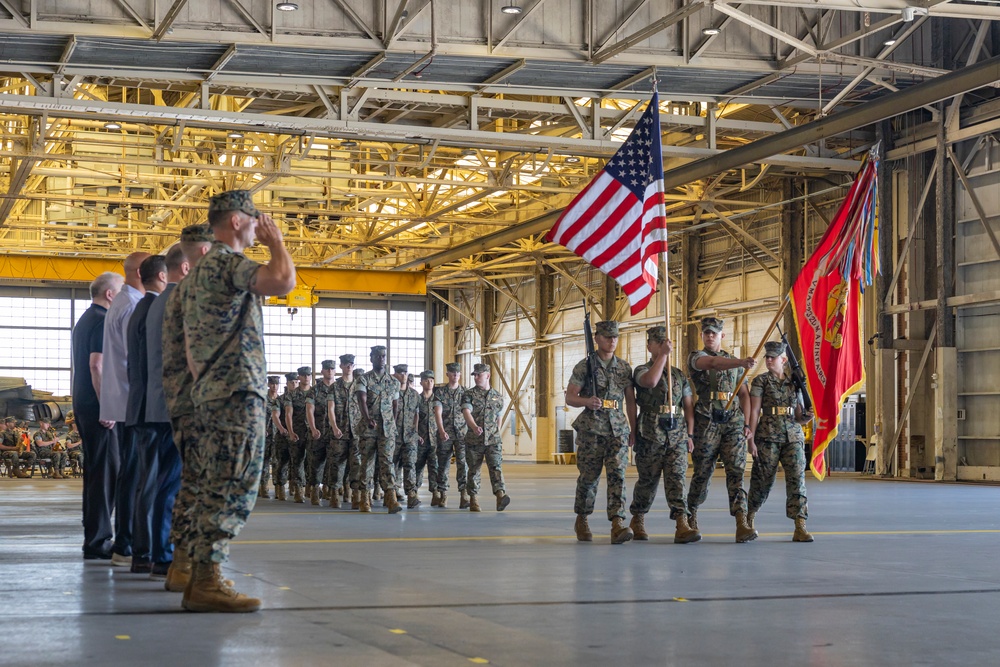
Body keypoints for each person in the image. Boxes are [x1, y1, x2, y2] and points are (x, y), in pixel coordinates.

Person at [180, 189, 295, 613]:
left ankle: (200, 576)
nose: (258, 225)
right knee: (235, 485)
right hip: (236, 393)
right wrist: (277, 243)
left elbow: (189, 348)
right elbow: (283, 281)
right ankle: (207, 579)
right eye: (254, 219)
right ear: (236, 221)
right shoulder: (228, 263)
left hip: (213, 391)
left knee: (213, 483)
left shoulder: (197, 276)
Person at [161, 225, 214, 593]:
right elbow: (199, 357)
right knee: (204, 486)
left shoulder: (174, 296)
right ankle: (199, 573)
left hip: (182, 403)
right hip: (199, 406)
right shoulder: (195, 295)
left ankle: (183, 567)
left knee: (191, 485)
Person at [686, 316, 758, 543]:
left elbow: (744, 394)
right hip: (706, 422)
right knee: (702, 473)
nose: (709, 336)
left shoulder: (735, 362)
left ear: (722, 336)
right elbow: (713, 364)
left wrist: (747, 424)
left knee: (736, 472)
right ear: (702, 336)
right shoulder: (696, 357)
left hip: (733, 422)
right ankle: (691, 515)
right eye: (706, 333)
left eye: (714, 333)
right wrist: (741, 363)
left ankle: (741, 522)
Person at [565, 320, 637, 544]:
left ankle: (617, 522)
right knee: (589, 477)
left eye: (614, 336)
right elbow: (570, 397)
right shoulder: (584, 366)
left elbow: (630, 401)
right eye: (607, 337)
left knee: (618, 475)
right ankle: (582, 518)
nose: (612, 340)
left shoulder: (624, 367)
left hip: (617, 429)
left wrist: (633, 429)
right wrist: (587, 401)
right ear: (596, 338)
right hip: (592, 429)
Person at [628, 326, 699, 544]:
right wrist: (664, 355)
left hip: (676, 433)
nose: (661, 345)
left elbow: (688, 406)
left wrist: (690, 434)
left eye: (664, 342)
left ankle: (681, 523)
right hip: (650, 432)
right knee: (648, 481)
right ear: (649, 346)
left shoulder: (678, 375)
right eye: (656, 342)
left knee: (677, 479)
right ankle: (637, 518)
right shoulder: (641, 370)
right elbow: (649, 382)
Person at [102, 250, 150, 567]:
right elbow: (137, 360)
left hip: (124, 401)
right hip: (134, 402)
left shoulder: (121, 302)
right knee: (134, 475)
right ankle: (125, 543)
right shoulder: (132, 305)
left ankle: (125, 542)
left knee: (130, 475)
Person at [73, 271, 124, 560]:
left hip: (84, 404)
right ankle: (98, 541)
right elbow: (97, 365)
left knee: (96, 472)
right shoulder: (103, 321)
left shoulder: (85, 320)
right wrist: (108, 406)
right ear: (110, 294)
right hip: (98, 408)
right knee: (107, 473)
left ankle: (93, 535)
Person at [144, 246, 187, 581]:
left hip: (159, 404)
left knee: (164, 482)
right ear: (185, 267)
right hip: (174, 407)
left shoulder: (158, 302)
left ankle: (161, 551)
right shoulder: (178, 301)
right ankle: (163, 553)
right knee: (171, 484)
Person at [747, 341, 815, 543]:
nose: (768, 360)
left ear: (783, 360)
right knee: (762, 480)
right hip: (767, 437)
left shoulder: (795, 382)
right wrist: (751, 438)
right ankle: (749, 517)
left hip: (792, 436)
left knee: (797, 479)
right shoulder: (760, 381)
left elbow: (799, 415)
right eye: (767, 357)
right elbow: (754, 411)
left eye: (772, 357)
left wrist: (807, 418)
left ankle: (800, 524)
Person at [125, 254, 168, 573]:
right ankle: (153, 552)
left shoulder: (139, 308)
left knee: (145, 482)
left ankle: (142, 552)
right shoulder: (155, 309)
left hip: (139, 406)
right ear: (163, 277)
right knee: (155, 484)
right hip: (154, 409)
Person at [354, 346, 400, 513]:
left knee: (388, 462)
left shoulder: (394, 382)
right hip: (369, 428)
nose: (381, 359)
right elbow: (361, 400)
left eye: (383, 356)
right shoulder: (364, 379)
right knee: (367, 463)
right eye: (378, 356)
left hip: (387, 429)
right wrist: (367, 419)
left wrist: (391, 423)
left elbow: (395, 406)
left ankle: (391, 497)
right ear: (371, 358)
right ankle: (365, 498)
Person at [460, 363, 510, 513]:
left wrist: (497, 431)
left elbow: (499, 417)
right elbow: (466, 412)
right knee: (474, 469)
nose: (475, 377)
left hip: (493, 440)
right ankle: (474, 499)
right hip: (474, 440)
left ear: (487, 375)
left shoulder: (497, 396)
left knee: (496, 468)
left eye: (478, 375)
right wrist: (474, 427)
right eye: (474, 375)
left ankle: (500, 495)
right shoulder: (469, 394)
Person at [433, 362, 469, 509]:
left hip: (462, 433)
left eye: (457, 373)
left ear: (460, 375)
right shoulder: (440, 392)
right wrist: (441, 430)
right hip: (445, 433)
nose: (455, 375)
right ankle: (443, 494)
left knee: (463, 464)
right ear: (447, 374)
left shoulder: (466, 393)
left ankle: (464, 494)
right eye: (452, 373)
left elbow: (469, 413)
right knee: (443, 464)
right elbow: (437, 412)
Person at [324, 354, 354, 509]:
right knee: (337, 463)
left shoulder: (359, 385)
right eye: (346, 364)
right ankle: (335, 492)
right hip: (339, 432)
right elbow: (331, 408)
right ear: (341, 367)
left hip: (356, 432)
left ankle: (350, 490)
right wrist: (334, 427)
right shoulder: (334, 387)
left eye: (351, 364)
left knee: (354, 463)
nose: (349, 367)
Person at [392, 364, 421, 509]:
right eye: (399, 373)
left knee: (410, 465)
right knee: (392, 466)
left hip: (409, 436)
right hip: (394, 436)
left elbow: (417, 414)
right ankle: (391, 493)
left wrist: (415, 431)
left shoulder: (414, 395)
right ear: (395, 375)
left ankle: (411, 494)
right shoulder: (390, 393)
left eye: (405, 372)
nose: (403, 375)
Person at [283, 366, 314, 504]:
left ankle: (312, 488)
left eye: (308, 375)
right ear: (299, 377)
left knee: (313, 461)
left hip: (314, 432)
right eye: (303, 375)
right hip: (298, 432)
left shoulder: (316, 392)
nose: (306, 377)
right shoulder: (292, 395)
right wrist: (290, 431)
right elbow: (288, 414)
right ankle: (299, 490)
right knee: (297, 461)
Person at [307, 360, 336, 505]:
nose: (330, 371)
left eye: (332, 368)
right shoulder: (315, 390)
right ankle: (314, 490)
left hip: (335, 433)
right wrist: (313, 428)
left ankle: (329, 490)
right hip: (318, 431)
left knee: (333, 463)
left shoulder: (339, 388)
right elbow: (309, 410)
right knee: (316, 463)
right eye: (327, 369)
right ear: (322, 371)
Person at [415, 370, 440, 505]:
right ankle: (414, 492)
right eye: (426, 380)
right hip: (421, 439)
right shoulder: (417, 400)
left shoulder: (438, 400)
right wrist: (415, 434)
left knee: (434, 467)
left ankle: (436, 493)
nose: (429, 382)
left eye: (431, 380)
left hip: (434, 439)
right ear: (421, 382)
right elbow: (412, 419)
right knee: (417, 467)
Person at [271, 372, 297, 501]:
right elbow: (275, 416)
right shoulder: (279, 400)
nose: (294, 384)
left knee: (297, 463)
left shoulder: (302, 398)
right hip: (283, 437)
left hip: (298, 436)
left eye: (296, 382)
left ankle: (296, 487)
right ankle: (280, 487)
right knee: (282, 462)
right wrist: (281, 429)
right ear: (287, 384)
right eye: (291, 382)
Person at [347, 367, 366, 509]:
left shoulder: (368, 392)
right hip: (350, 432)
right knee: (354, 464)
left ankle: (365, 493)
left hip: (365, 433)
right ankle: (355, 493)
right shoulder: (349, 391)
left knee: (364, 464)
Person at [261, 376, 281, 499]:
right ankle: (263, 486)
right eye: (272, 384)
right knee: (264, 462)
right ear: (268, 384)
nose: (274, 386)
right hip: (265, 435)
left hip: (277, 435)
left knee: (277, 461)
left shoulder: (280, 400)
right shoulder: (263, 399)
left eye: (276, 384)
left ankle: (278, 486)